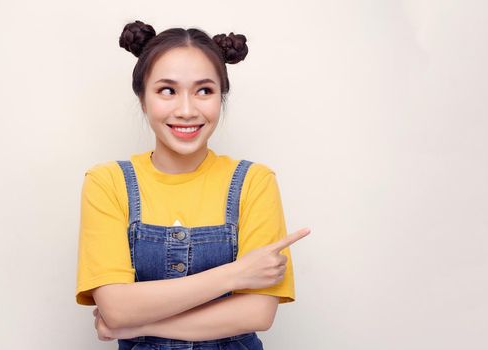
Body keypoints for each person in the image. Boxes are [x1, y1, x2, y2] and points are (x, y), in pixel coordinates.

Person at [75, 20, 311, 349]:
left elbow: (258, 313)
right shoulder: (107, 182)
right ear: (143, 99)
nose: (187, 110)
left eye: (204, 90)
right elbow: (115, 307)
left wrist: (134, 324)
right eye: (167, 90)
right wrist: (236, 274)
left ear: (221, 98)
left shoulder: (254, 182)